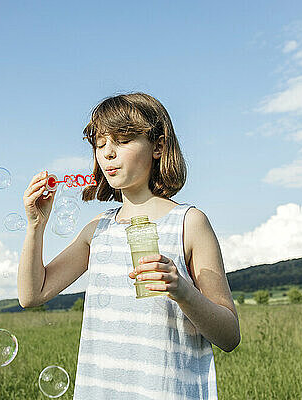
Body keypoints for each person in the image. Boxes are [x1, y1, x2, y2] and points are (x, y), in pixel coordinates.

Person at [18, 92, 240, 399]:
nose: (108, 153)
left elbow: (229, 335)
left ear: (158, 146)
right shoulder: (97, 229)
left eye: (122, 140)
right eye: (99, 143)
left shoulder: (189, 223)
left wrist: (182, 290)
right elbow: (32, 294)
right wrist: (35, 225)